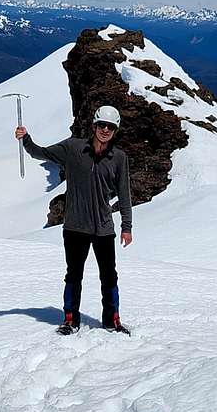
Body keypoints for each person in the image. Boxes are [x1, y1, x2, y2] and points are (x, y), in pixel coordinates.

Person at [15, 105, 133, 335]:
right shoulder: (73, 148)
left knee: (109, 275)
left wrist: (126, 227)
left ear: (115, 130)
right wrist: (26, 139)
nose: (105, 130)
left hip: (104, 228)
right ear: (94, 126)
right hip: (75, 227)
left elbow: (125, 194)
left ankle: (112, 320)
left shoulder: (119, 158)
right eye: (102, 125)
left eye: (110, 127)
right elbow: (42, 153)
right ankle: (71, 320)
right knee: (74, 274)